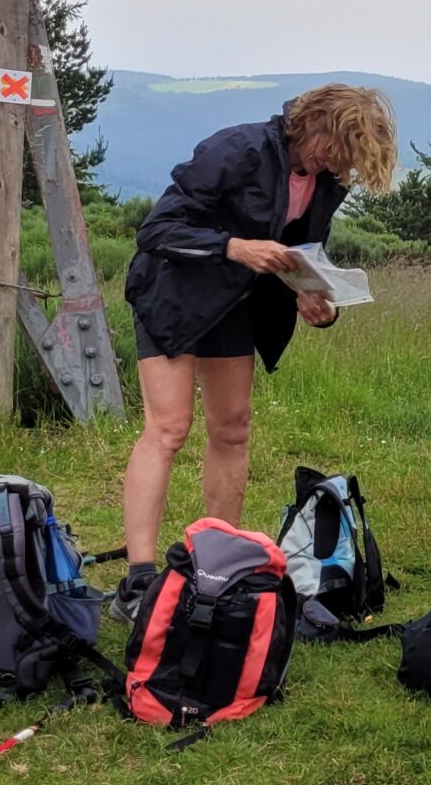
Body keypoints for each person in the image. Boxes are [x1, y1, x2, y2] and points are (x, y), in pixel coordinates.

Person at [111, 84, 398, 623]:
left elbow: (304, 253)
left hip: (234, 305)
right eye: (334, 149)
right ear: (312, 121)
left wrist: (318, 302)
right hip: (173, 296)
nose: (335, 165)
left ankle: (218, 564)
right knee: (168, 429)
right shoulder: (238, 149)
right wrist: (234, 247)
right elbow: (156, 230)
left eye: (346, 160)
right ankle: (138, 579)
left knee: (233, 429)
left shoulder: (326, 182)